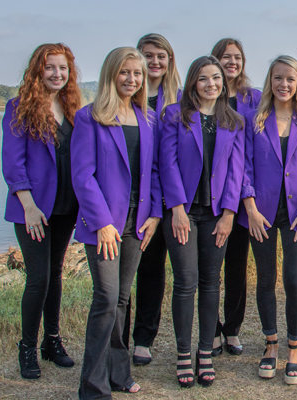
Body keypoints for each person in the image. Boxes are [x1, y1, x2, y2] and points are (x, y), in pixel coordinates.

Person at [73, 47, 162, 398]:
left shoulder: (147, 119)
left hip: (138, 220)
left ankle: (118, 374)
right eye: (125, 72)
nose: (132, 79)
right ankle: (93, 385)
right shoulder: (89, 117)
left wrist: (155, 214)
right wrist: (101, 222)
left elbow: (153, 171)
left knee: (123, 298)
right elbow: (83, 175)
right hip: (105, 223)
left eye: (137, 74)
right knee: (106, 298)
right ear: (112, 74)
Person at [159, 55, 244, 387]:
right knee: (186, 281)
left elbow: (237, 172)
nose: (212, 84)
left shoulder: (234, 121)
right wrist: (177, 208)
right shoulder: (175, 116)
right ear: (193, 82)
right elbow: (166, 162)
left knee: (211, 282)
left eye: (217, 78)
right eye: (204, 78)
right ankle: (183, 353)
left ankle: (205, 352)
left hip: (216, 215)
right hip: (183, 212)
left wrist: (229, 214)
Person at [240, 55, 297, 384]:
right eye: (278, 78)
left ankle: (293, 346)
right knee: (265, 279)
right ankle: (270, 343)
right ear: (269, 81)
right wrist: (249, 207)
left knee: (292, 279)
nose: (283, 84)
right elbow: (243, 167)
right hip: (260, 213)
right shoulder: (254, 120)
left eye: (290, 78)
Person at [2, 43, 81, 380]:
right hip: (33, 209)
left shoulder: (73, 107)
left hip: (65, 206)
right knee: (38, 279)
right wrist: (28, 206)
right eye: (50, 67)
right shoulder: (18, 107)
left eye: (62, 68)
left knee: (56, 272)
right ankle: (28, 349)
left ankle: (52, 342)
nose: (57, 74)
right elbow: (12, 162)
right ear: (38, 70)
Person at [122, 32, 183, 366]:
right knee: (124, 273)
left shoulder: (180, 98)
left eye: (162, 55)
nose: (155, 61)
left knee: (153, 269)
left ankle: (143, 338)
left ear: (170, 60)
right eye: (148, 55)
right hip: (133, 196)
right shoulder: (129, 95)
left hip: (168, 198)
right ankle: (118, 337)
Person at [210, 38, 262, 355]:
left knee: (236, 268)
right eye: (226, 57)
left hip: (243, 199)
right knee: (210, 269)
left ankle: (232, 329)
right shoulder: (203, 95)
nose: (232, 62)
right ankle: (212, 327)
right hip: (210, 197)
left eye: (237, 57)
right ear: (214, 60)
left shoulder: (252, 98)